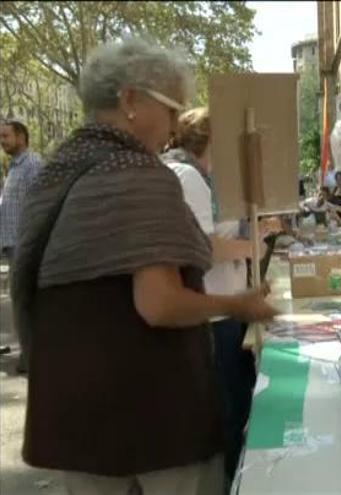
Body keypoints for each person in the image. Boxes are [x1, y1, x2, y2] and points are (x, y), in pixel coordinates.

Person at [11, 38, 277, 494]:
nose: (175, 127)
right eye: (172, 109)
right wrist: (237, 305)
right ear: (130, 99)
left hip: (74, 414)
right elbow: (158, 304)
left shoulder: (57, 170)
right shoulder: (136, 173)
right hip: (153, 418)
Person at [161, 107, 260, 485]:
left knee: (235, 406)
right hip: (214, 315)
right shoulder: (187, 176)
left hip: (223, 309)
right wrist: (250, 245)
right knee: (229, 412)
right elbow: (205, 248)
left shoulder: (199, 176)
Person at [0, 118, 42, 374]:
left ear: (21, 137)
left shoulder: (32, 165)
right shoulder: (14, 167)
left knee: (24, 302)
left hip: (24, 243)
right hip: (11, 244)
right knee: (19, 301)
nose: (2, 141)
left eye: (6, 136)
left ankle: (32, 357)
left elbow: (39, 204)